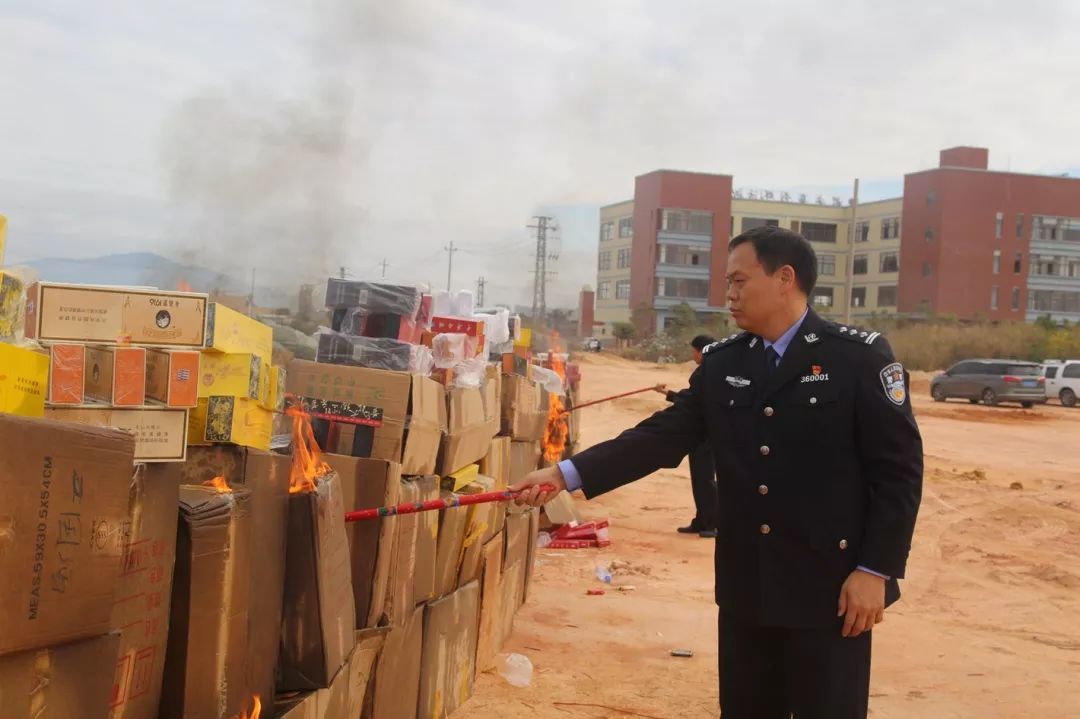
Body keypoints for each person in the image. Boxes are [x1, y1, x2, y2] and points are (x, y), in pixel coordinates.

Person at [511, 225, 923, 718]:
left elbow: (899, 472)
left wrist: (875, 570)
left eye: (739, 281)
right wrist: (565, 474)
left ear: (784, 278)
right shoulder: (725, 362)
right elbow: (660, 437)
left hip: (830, 591)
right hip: (749, 587)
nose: (728, 294)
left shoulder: (855, 357)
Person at [652, 334, 719, 538]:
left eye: (694, 351)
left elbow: (692, 400)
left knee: (706, 480)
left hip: (708, 434)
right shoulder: (707, 369)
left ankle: (713, 524)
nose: (692, 355)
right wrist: (668, 394)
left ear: (701, 351)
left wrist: (668, 394)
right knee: (699, 479)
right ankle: (701, 521)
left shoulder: (711, 371)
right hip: (699, 434)